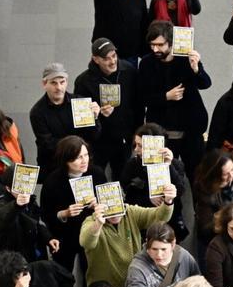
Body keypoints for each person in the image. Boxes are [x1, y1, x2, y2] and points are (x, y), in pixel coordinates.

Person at [138, 20, 213, 177]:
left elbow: (205, 84)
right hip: (161, 130)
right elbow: (142, 97)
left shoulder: (186, 59)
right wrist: (166, 97)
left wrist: (196, 69)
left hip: (190, 129)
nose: (155, 49)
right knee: (163, 176)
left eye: (160, 45)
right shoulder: (146, 63)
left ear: (171, 43)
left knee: (197, 176)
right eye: (152, 45)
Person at [79, 182, 176, 287]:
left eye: (117, 204)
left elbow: (159, 217)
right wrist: (98, 223)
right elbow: (86, 242)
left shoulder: (130, 212)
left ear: (123, 201)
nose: (115, 214)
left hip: (133, 285)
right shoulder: (90, 221)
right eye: (109, 207)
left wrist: (168, 201)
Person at [73, 39, 144, 176]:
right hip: (98, 142)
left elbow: (138, 105)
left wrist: (137, 133)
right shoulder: (83, 81)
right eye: (106, 58)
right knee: (96, 177)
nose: (112, 61)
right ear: (96, 59)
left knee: (123, 177)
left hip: (124, 138)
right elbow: (81, 118)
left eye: (114, 56)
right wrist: (98, 114)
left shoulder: (129, 71)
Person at [39, 137, 106, 279]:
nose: (84, 161)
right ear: (66, 160)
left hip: (91, 232)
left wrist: (99, 205)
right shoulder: (53, 181)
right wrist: (64, 213)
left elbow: (110, 204)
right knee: (62, 276)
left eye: (86, 155)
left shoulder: (97, 173)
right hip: (65, 235)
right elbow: (45, 214)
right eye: (78, 158)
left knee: (92, 275)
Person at [120, 122, 189, 241]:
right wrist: (149, 197)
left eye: (141, 146)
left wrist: (168, 165)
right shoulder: (132, 164)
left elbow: (180, 190)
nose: (136, 150)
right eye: (135, 145)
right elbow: (127, 194)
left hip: (169, 222)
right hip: (143, 222)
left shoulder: (175, 164)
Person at [29, 62, 98, 179]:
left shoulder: (80, 103)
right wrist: (76, 147)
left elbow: (94, 136)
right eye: (53, 83)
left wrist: (95, 118)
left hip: (81, 165)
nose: (59, 87)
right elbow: (47, 144)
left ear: (67, 82)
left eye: (62, 82)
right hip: (54, 166)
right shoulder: (37, 112)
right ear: (44, 84)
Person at [0, 164, 59, 263]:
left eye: (26, 184)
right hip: (14, 261)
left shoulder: (31, 201)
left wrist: (48, 238)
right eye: (18, 186)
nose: (24, 189)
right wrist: (16, 205)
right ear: (8, 189)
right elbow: (2, 219)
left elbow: (36, 223)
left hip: (35, 256)